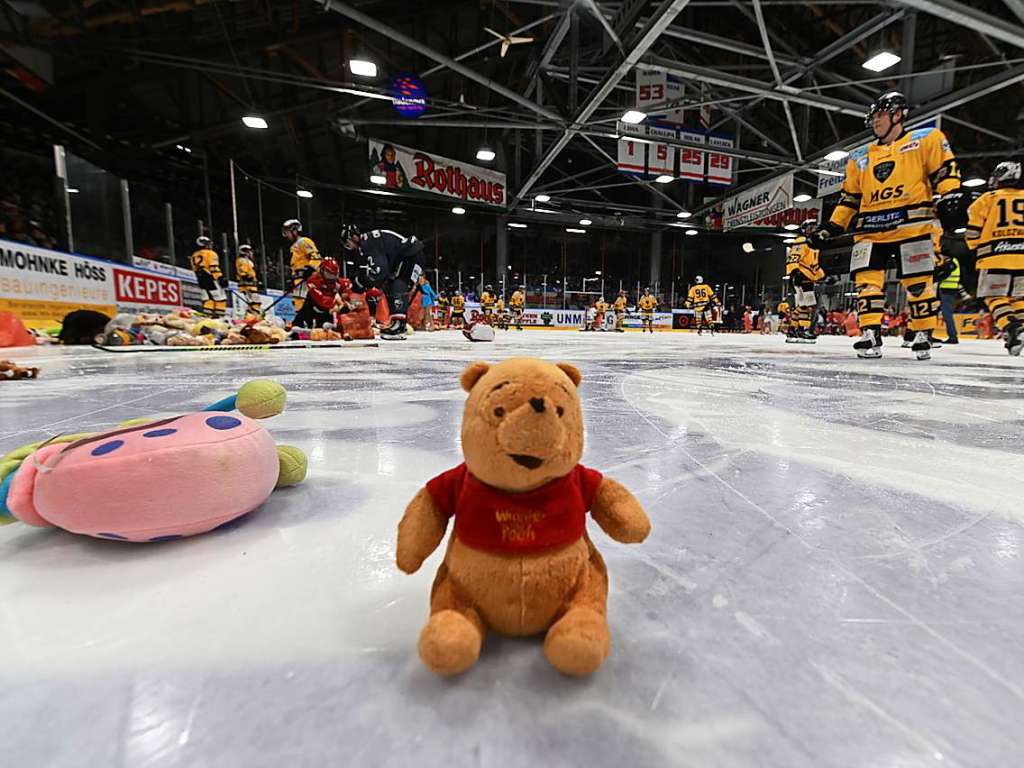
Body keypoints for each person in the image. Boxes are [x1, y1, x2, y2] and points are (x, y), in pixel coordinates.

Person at [811, 91, 964, 360]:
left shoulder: (926, 139)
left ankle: (922, 333)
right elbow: (850, 197)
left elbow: (945, 171)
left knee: (917, 284)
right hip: (870, 229)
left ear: (897, 115)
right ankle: (870, 333)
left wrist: (950, 195)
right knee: (866, 285)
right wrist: (833, 226)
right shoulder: (860, 156)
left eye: (880, 115)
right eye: (873, 117)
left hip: (913, 225)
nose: (875, 122)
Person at [964, 159, 1024, 356]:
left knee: (994, 297)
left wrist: (975, 246)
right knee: (1018, 298)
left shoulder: (986, 199)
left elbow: (972, 234)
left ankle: (1011, 327)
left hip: (995, 257)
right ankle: (1019, 335)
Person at [341, 224, 424, 340]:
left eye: (347, 243)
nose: (347, 247)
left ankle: (399, 325)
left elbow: (380, 271)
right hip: (410, 255)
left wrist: (362, 283)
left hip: (410, 255)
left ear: (353, 237)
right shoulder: (366, 243)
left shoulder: (368, 244)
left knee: (396, 283)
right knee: (392, 283)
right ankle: (399, 322)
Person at [785, 219, 825, 343]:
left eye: (815, 228)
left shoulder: (813, 246)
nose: (813, 230)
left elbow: (814, 265)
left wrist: (822, 277)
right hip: (802, 277)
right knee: (808, 305)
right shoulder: (801, 242)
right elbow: (793, 258)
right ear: (804, 230)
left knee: (801, 305)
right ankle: (803, 330)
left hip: (807, 277)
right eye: (810, 228)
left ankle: (793, 329)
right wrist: (794, 272)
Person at [282, 219, 321, 314]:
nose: (286, 235)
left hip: (306, 281)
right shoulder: (293, 247)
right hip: (299, 281)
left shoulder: (304, 241)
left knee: (304, 308)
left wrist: (310, 270)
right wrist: (293, 279)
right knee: (298, 307)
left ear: (295, 231)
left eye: (287, 232)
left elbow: (316, 258)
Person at [292, 258, 342, 328]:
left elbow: (347, 291)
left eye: (334, 275)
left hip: (328, 312)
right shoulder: (313, 280)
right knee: (299, 322)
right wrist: (336, 304)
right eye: (329, 274)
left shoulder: (337, 283)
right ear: (322, 270)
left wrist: (346, 304)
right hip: (313, 308)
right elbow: (320, 299)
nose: (331, 277)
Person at [190, 236, 227, 317]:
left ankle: (207, 316)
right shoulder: (211, 253)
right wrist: (220, 277)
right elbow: (213, 267)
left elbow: (194, 268)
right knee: (220, 298)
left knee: (207, 298)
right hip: (211, 278)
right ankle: (219, 318)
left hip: (200, 278)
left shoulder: (194, 255)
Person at [936, 253, 962, 344]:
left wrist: (934, 278)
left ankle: (952, 336)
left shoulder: (951, 262)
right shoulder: (951, 261)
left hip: (948, 290)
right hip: (947, 290)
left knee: (946, 313)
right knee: (943, 312)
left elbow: (943, 274)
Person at [235, 244, 261, 316]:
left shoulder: (246, 260)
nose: (250, 253)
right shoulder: (242, 260)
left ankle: (252, 316)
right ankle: (254, 317)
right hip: (247, 286)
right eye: (248, 251)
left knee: (253, 302)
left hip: (250, 285)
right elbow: (244, 273)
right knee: (254, 302)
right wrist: (249, 278)